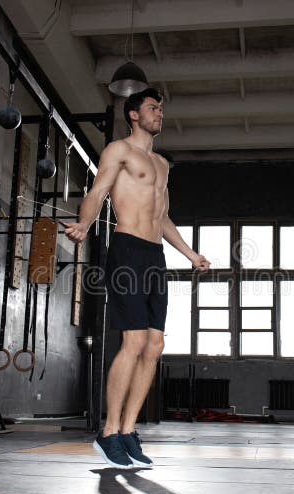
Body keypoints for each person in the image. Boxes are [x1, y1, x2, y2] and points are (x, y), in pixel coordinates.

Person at [62, 88, 210, 469]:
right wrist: (84, 223)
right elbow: (98, 192)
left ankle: (128, 431)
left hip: (154, 255)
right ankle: (108, 432)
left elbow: (161, 218)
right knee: (135, 340)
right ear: (133, 114)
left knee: (155, 343)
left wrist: (190, 253)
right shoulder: (119, 151)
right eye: (152, 108)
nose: (159, 114)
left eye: (161, 109)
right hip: (126, 248)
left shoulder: (160, 163)